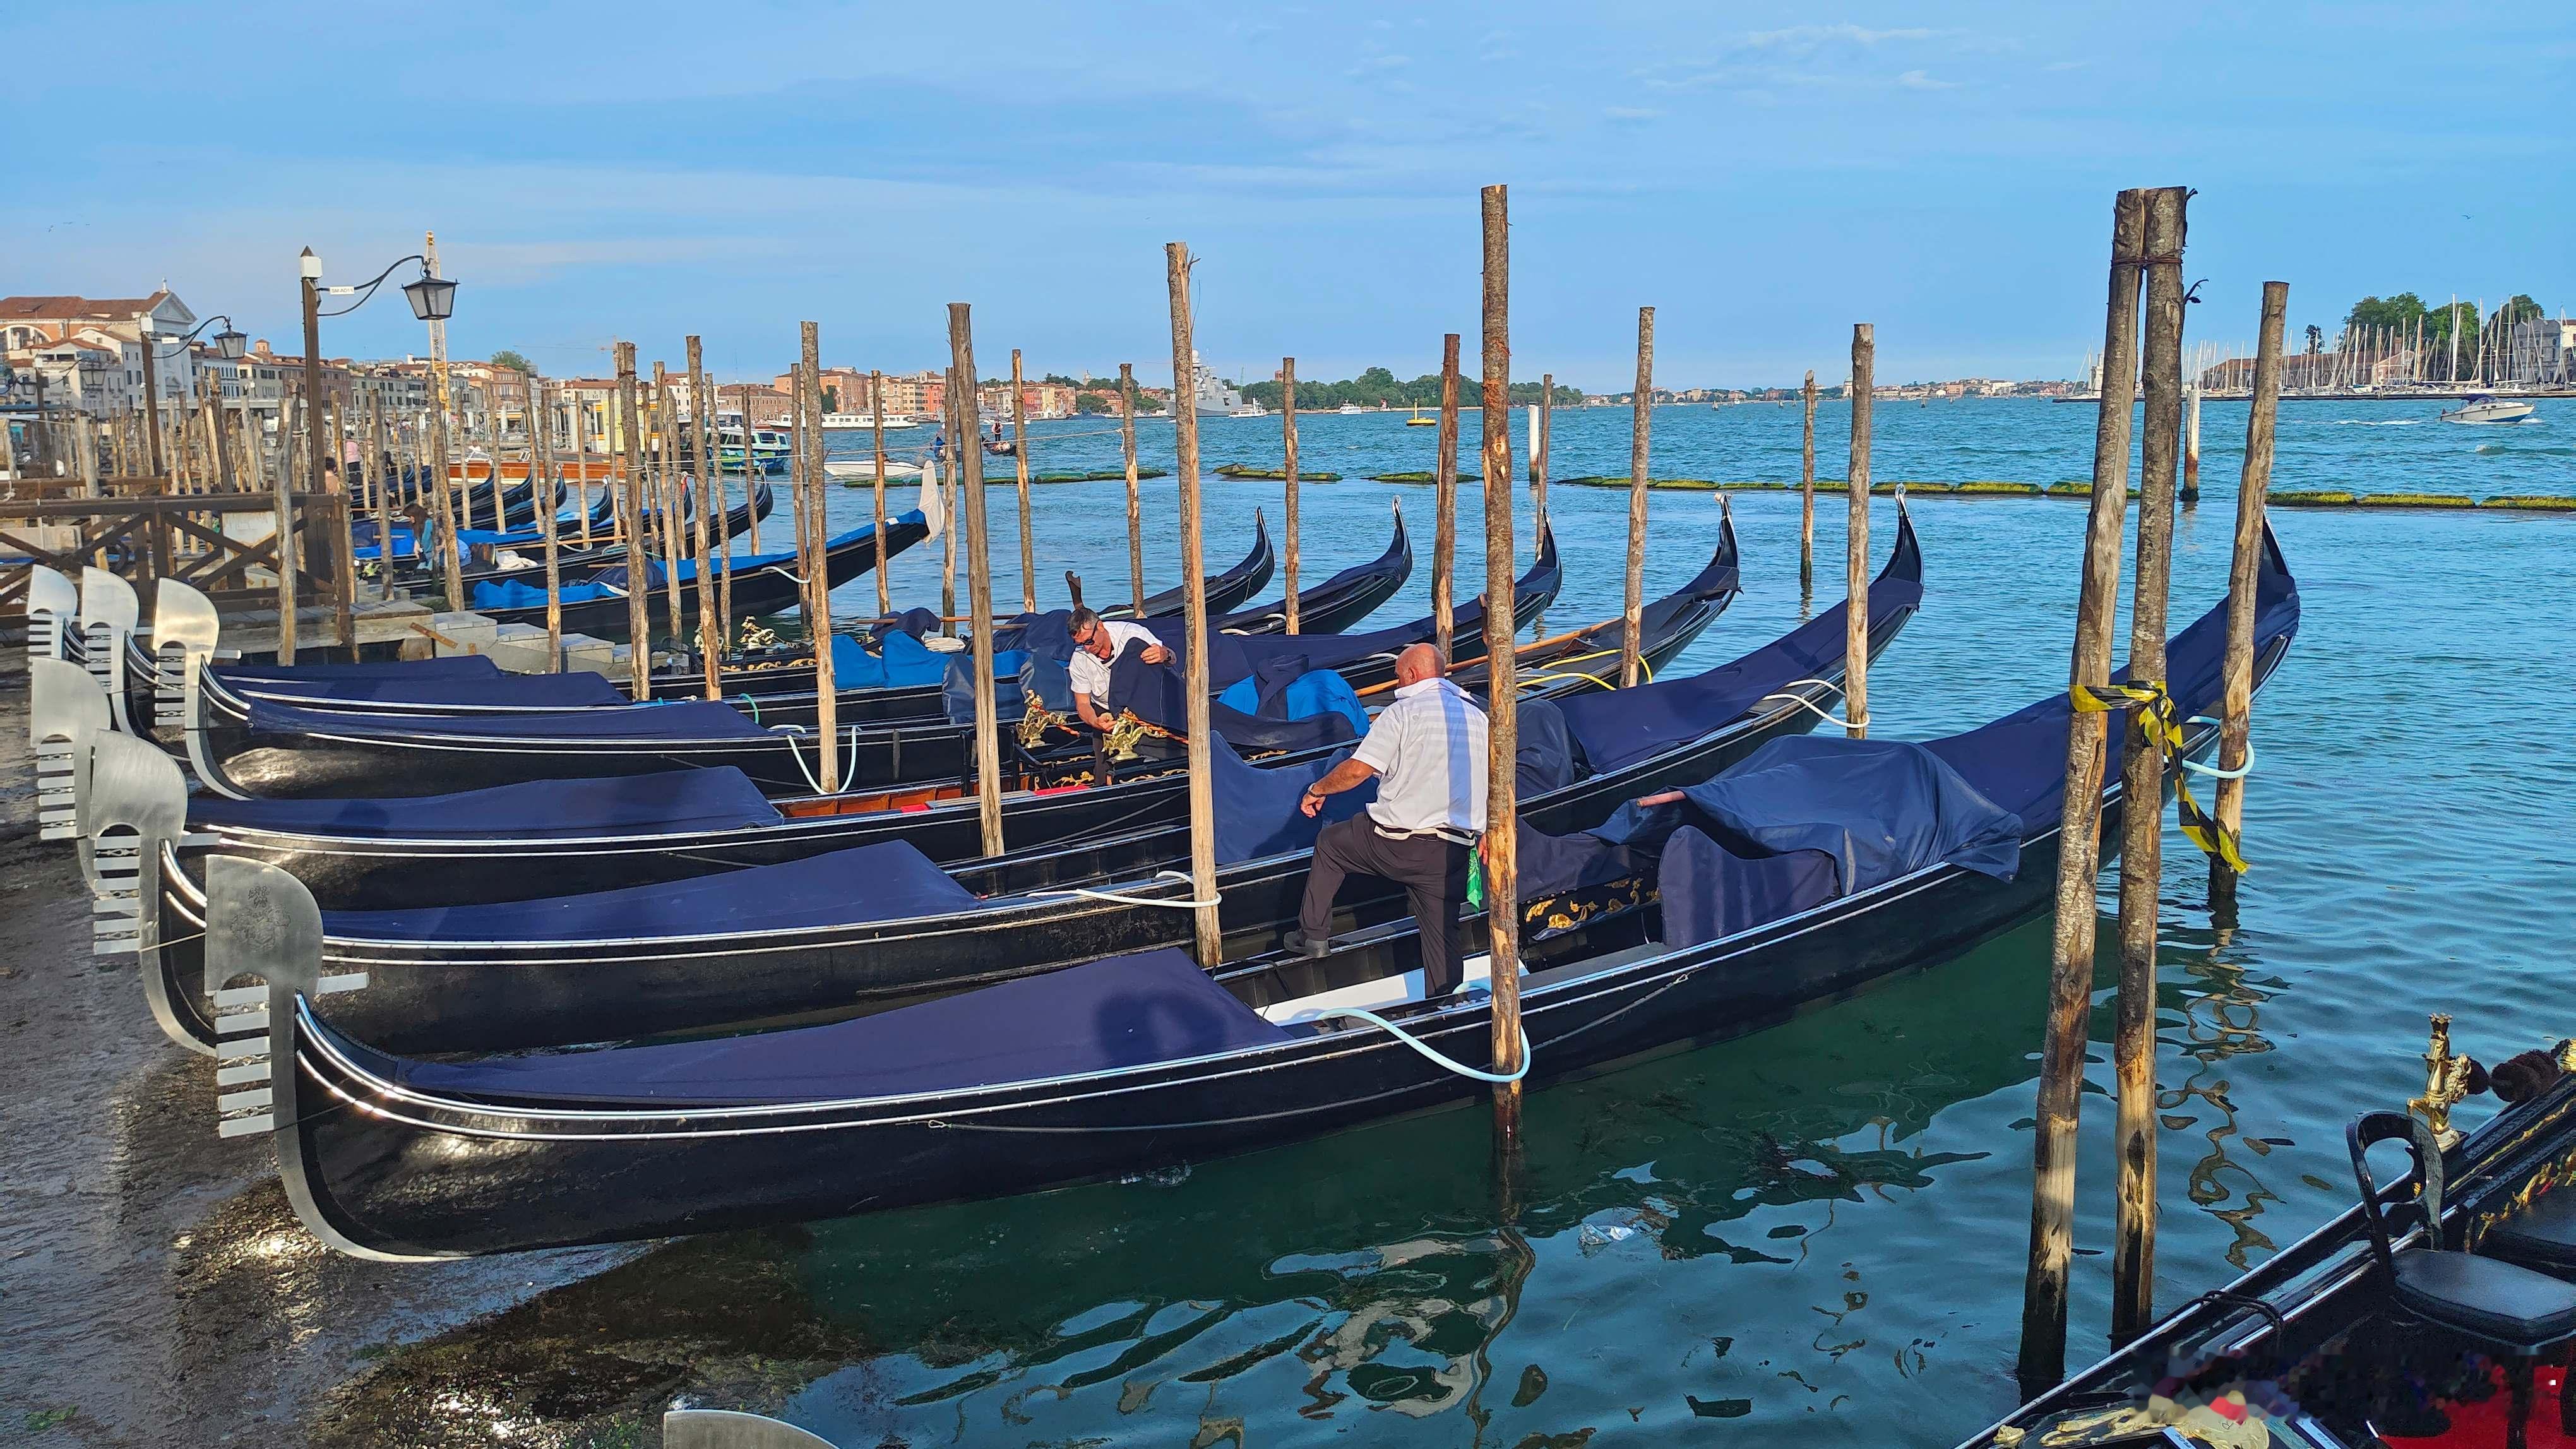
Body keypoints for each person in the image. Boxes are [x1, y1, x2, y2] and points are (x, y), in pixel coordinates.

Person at [1287, 643, 1489, 996]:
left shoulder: (1402, 713)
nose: (1397, 684)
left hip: (1395, 843)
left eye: (1397, 677)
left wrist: (1317, 789)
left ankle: (1313, 935)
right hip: (1451, 849)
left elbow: (1357, 771)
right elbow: (1496, 780)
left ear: (1411, 674)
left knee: (1331, 845)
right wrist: (1490, 829)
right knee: (1443, 932)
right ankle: (1445, 1001)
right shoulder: (1479, 717)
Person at [1066, 605, 1174, 733]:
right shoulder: (1079, 658)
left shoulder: (1133, 634)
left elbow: (1172, 661)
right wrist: (1094, 721)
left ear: (1100, 626)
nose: (1087, 648)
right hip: (1105, 713)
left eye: (1089, 641)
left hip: (1146, 709)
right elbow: (1083, 703)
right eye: (1081, 644)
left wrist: (1165, 654)